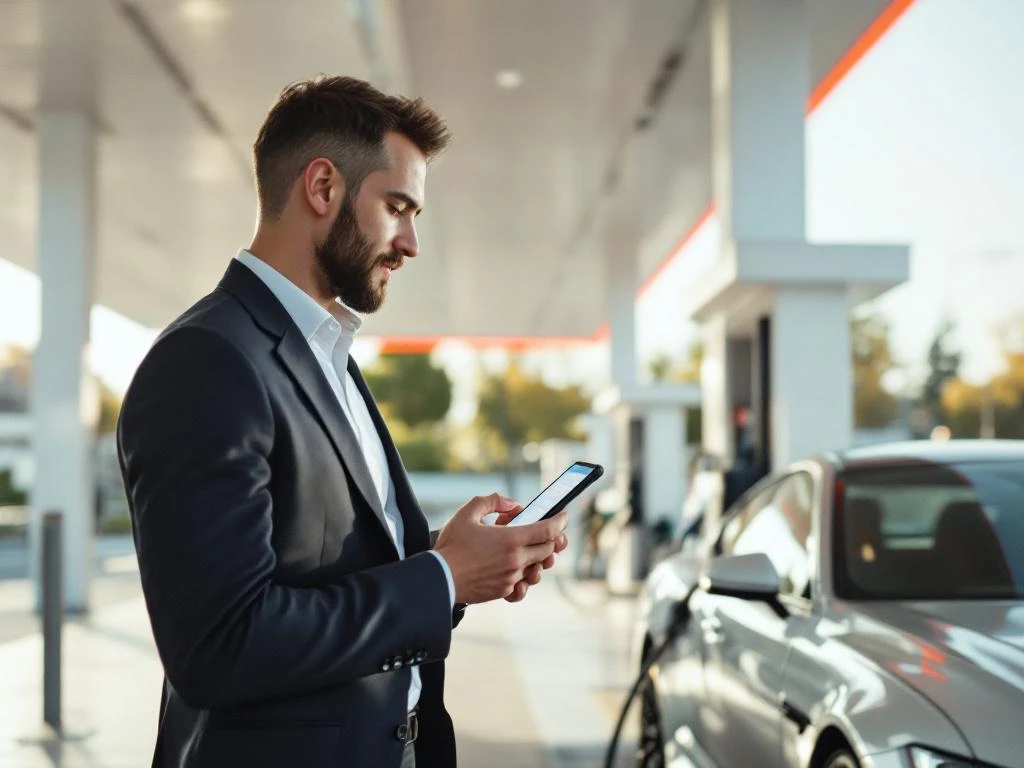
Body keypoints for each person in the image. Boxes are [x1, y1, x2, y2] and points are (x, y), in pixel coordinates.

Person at [117, 75, 568, 768]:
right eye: (397, 207)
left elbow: (332, 577)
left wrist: (450, 563)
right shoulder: (206, 361)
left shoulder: (325, 355)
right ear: (323, 188)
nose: (411, 242)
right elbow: (220, 646)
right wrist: (442, 578)